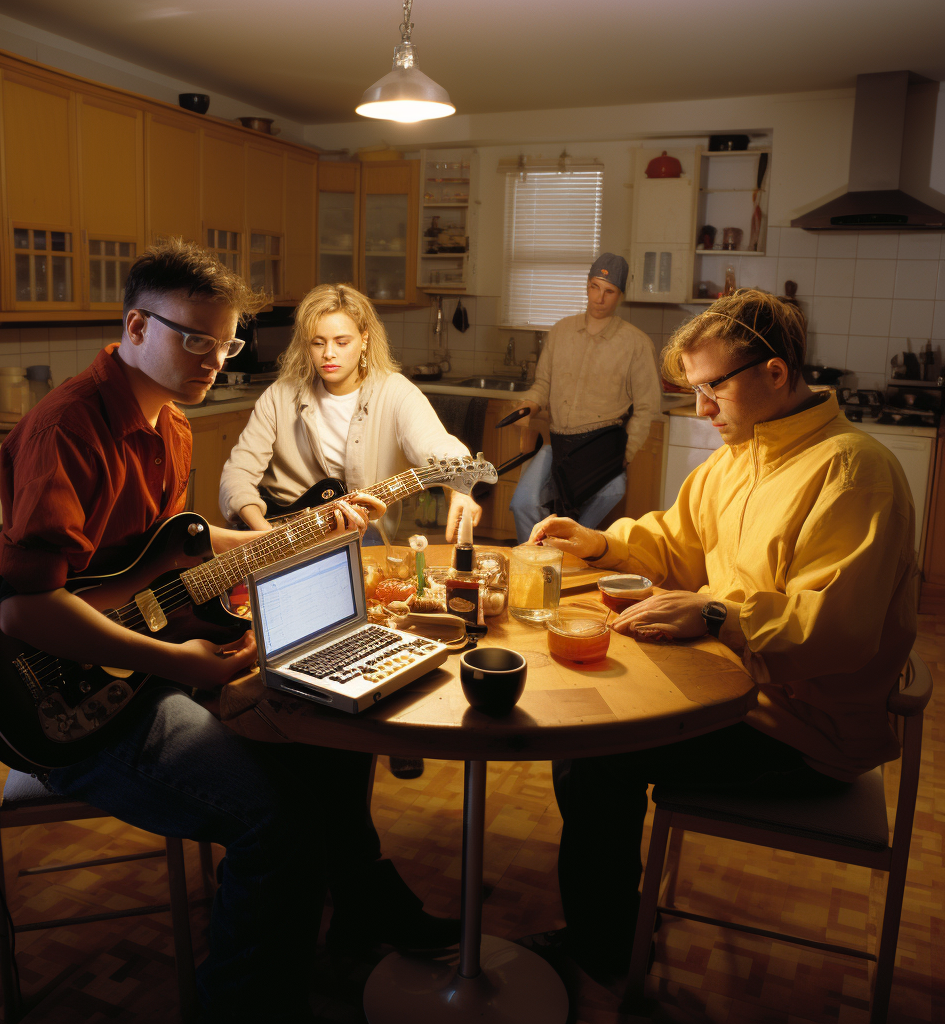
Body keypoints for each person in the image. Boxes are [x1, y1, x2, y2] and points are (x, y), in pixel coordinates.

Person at [0, 240, 457, 1024]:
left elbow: (175, 555)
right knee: (279, 824)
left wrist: (302, 531)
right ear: (137, 327)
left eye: (228, 341)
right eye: (196, 339)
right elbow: (24, 611)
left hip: (146, 665)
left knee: (331, 738)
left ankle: (360, 917)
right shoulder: (67, 427)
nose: (215, 360)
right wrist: (183, 662)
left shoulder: (168, 424)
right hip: (77, 705)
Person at [521, 288, 918, 985]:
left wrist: (712, 617)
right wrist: (599, 544)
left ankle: (606, 950)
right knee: (600, 725)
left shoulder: (854, 470)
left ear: (773, 374)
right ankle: (618, 921)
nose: (701, 409)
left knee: (596, 755)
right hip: (742, 696)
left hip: (805, 731)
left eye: (713, 389)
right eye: (696, 390)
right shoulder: (740, 458)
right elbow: (673, 542)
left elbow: (837, 629)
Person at [219, 282, 482, 543]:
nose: (329, 354)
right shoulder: (280, 396)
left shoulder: (396, 392)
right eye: (318, 343)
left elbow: (437, 445)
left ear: (364, 339)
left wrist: (460, 489)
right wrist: (265, 536)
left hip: (361, 533)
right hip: (281, 530)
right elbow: (237, 474)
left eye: (342, 342)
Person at [508, 253, 661, 541]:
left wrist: (625, 456)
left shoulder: (636, 344)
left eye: (609, 291)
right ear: (587, 285)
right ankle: (536, 560)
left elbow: (646, 409)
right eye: (594, 287)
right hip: (560, 446)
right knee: (523, 503)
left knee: (609, 493)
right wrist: (530, 403)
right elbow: (543, 383)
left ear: (619, 296)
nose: (599, 298)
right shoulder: (561, 331)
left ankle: (567, 552)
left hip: (601, 450)